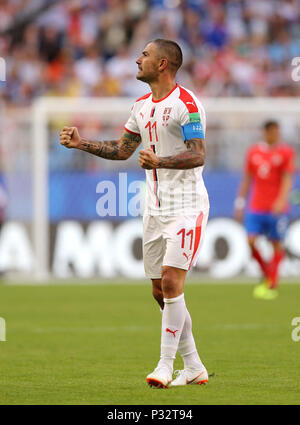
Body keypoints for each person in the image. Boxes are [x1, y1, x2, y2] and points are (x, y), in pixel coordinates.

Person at [60, 39, 210, 388]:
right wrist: (83, 143)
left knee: (173, 282)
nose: (137, 59)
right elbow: (123, 150)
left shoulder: (186, 105)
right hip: (154, 209)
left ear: (163, 64)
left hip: (187, 206)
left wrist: (160, 160)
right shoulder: (140, 106)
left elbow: (198, 154)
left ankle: (164, 365)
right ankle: (194, 366)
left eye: (144, 54)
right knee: (161, 291)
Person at [234, 121, 295, 300]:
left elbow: (287, 179)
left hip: (276, 207)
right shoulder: (253, 152)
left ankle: (272, 283)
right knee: (251, 241)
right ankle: (268, 273)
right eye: (272, 131)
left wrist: (281, 200)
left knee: (276, 243)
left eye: (278, 131)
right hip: (256, 206)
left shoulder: (285, 152)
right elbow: (247, 178)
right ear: (265, 132)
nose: (276, 134)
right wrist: (240, 202)